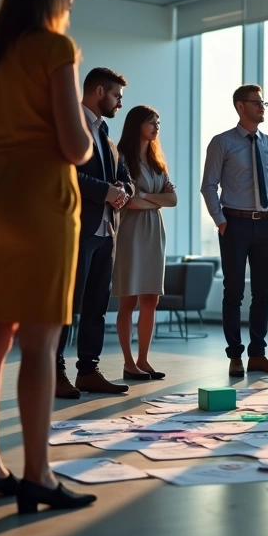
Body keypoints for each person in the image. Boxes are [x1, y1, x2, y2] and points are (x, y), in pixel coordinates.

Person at [0, 0, 97, 513]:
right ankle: (38, 474)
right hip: (44, 199)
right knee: (41, 341)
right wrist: (86, 141)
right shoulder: (56, 48)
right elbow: (74, 145)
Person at [53, 67, 134, 399]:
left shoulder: (107, 137)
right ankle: (55, 373)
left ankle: (88, 371)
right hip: (74, 230)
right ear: (99, 91)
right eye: (116, 96)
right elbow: (64, 174)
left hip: (106, 232)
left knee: (96, 305)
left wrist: (123, 190)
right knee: (66, 306)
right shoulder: (68, 127)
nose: (119, 104)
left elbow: (125, 177)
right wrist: (106, 191)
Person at [200, 84, 268, 377]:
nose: (262, 107)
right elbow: (208, 186)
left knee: (263, 293)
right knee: (233, 292)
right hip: (234, 225)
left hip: (266, 225)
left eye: (264, 102)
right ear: (240, 106)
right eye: (256, 102)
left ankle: (258, 354)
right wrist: (221, 221)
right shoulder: (222, 142)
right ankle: (235, 356)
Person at [114, 105, 176, 381]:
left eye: (158, 122)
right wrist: (155, 198)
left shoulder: (156, 160)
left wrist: (145, 197)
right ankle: (128, 363)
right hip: (129, 231)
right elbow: (128, 201)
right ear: (137, 124)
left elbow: (172, 200)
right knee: (128, 300)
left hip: (153, 231)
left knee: (151, 298)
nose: (156, 126)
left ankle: (143, 360)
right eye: (152, 122)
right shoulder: (122, 158)